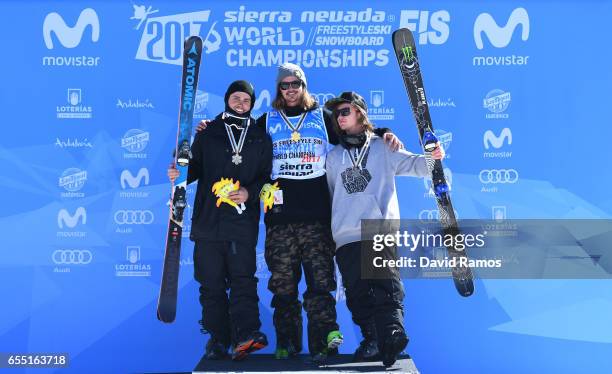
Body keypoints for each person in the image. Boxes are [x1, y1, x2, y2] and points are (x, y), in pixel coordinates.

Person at [196, 63, 403, 363]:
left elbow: (357, 132)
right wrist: (207, 126)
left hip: (317, 217)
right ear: (279, 89)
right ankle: (287, 344)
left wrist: (385, 134)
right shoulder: (267, 121)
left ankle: (323, 342)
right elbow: (232, 132)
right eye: (284, 85)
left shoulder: (322, 117)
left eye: (296, 84)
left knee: (320, 284)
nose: (290, 89)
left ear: (304, 87)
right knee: (283, 287)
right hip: (279, 218)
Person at [324, 92, 445, 367]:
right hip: (345, 235)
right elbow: (331, 196)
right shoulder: (333, 157)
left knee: (386, 287)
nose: (339, 118)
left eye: (345, 112)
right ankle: (372, 340)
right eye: (336, 115)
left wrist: (433, 157)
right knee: (356, 294)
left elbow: (417, 165)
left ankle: (392, 334)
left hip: (378, 229)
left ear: (359, 113)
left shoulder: (383, 147)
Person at [167, 80, 272, 361]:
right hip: (208, 223)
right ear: (227, 100)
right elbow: (194, 168)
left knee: (243, 281)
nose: (240, 103)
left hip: (241, 224)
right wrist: (179, 174)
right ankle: (218, 339)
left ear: (252, 105)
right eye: (236, 98)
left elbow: (267, 177)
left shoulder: (261, 137)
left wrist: (250, 192)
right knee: (210, 284)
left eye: (246, 100)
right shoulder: (209, 132)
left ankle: (246, 335)